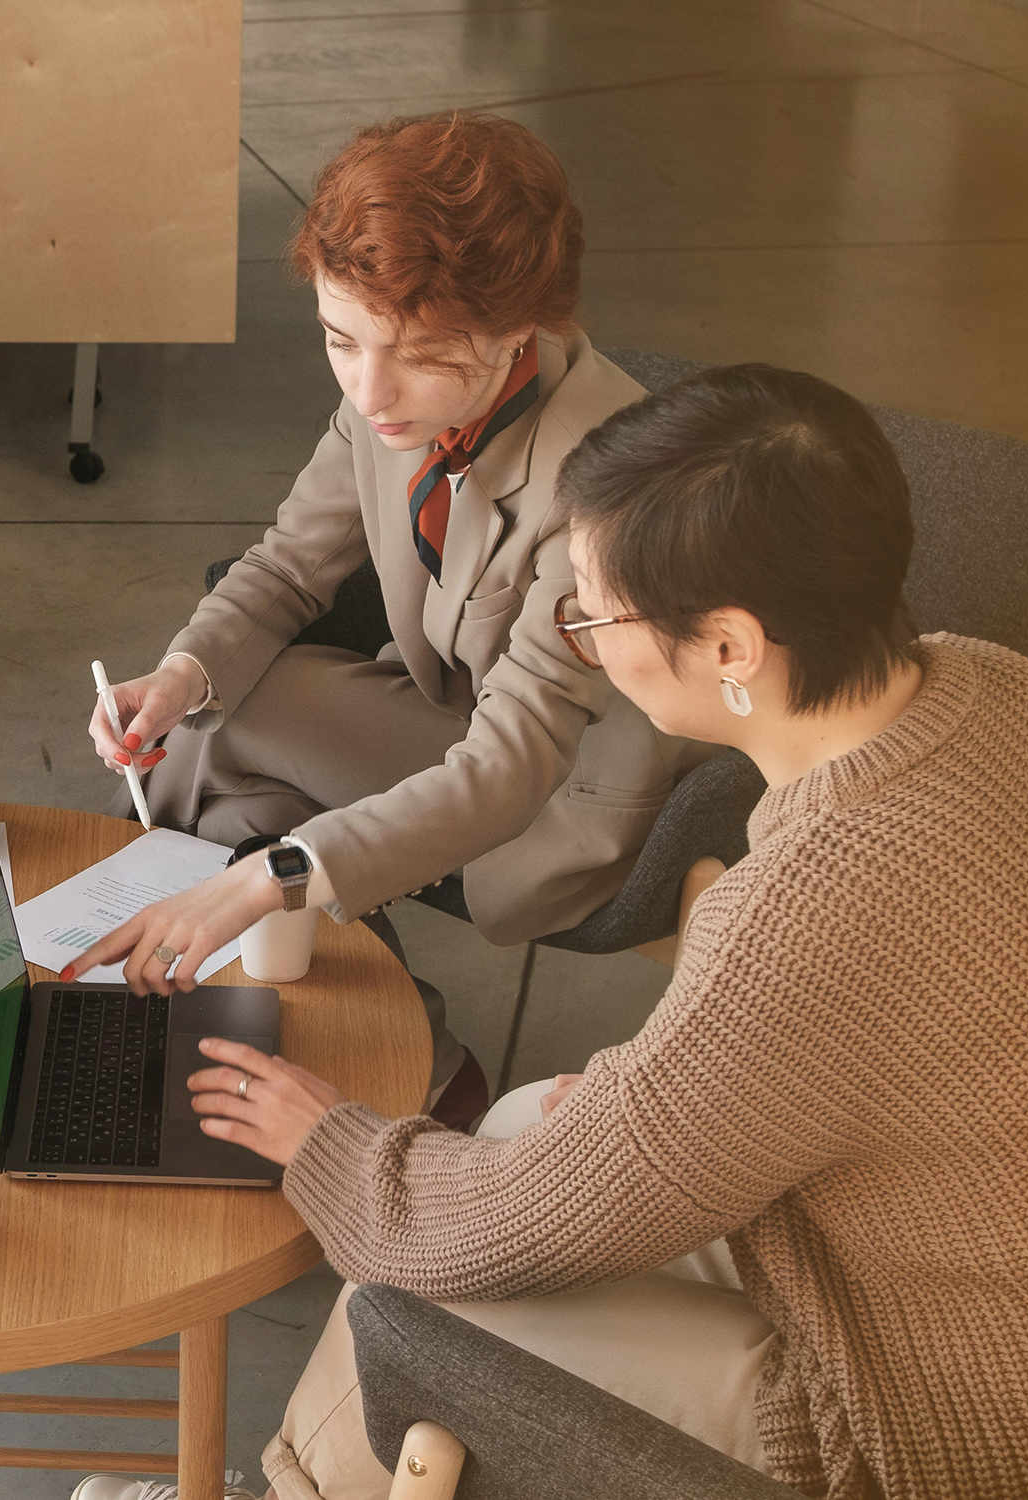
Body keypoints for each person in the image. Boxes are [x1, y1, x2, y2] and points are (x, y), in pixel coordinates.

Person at [110, 365, 1028, 1499]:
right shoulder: (995, 684)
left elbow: (512, 1225)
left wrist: (323, 1137)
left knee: (422, 1287)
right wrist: (653, 1116)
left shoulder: (812, 911)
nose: (584, 642)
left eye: (592, 615)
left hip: (970, 1434)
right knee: (527, 1119)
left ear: (730, 645)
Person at [80, 113, 694, 1124]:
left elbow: (510, 766)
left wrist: (272, 879)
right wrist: (181, 676)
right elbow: (285, 568)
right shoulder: (399, 397)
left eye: (413, 353)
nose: (370, 390)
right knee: (208, 738)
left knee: (223, 795)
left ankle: (347, 1048)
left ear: (518, 328)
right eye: (340, 339)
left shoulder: (606, 485)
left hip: (563, 791)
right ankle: (400, 1049)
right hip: (463, 721)